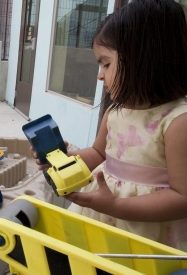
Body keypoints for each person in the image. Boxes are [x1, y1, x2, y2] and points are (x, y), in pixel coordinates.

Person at [33, 0, 187, 251]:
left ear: (144, 58)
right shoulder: (116, 112)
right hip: (103, 217)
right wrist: (64, 160)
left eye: (106, 63)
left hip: (147, 233)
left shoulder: (177, 121)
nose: (100, 74)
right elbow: (97, 154)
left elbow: (183, 198)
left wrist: (116, 206)